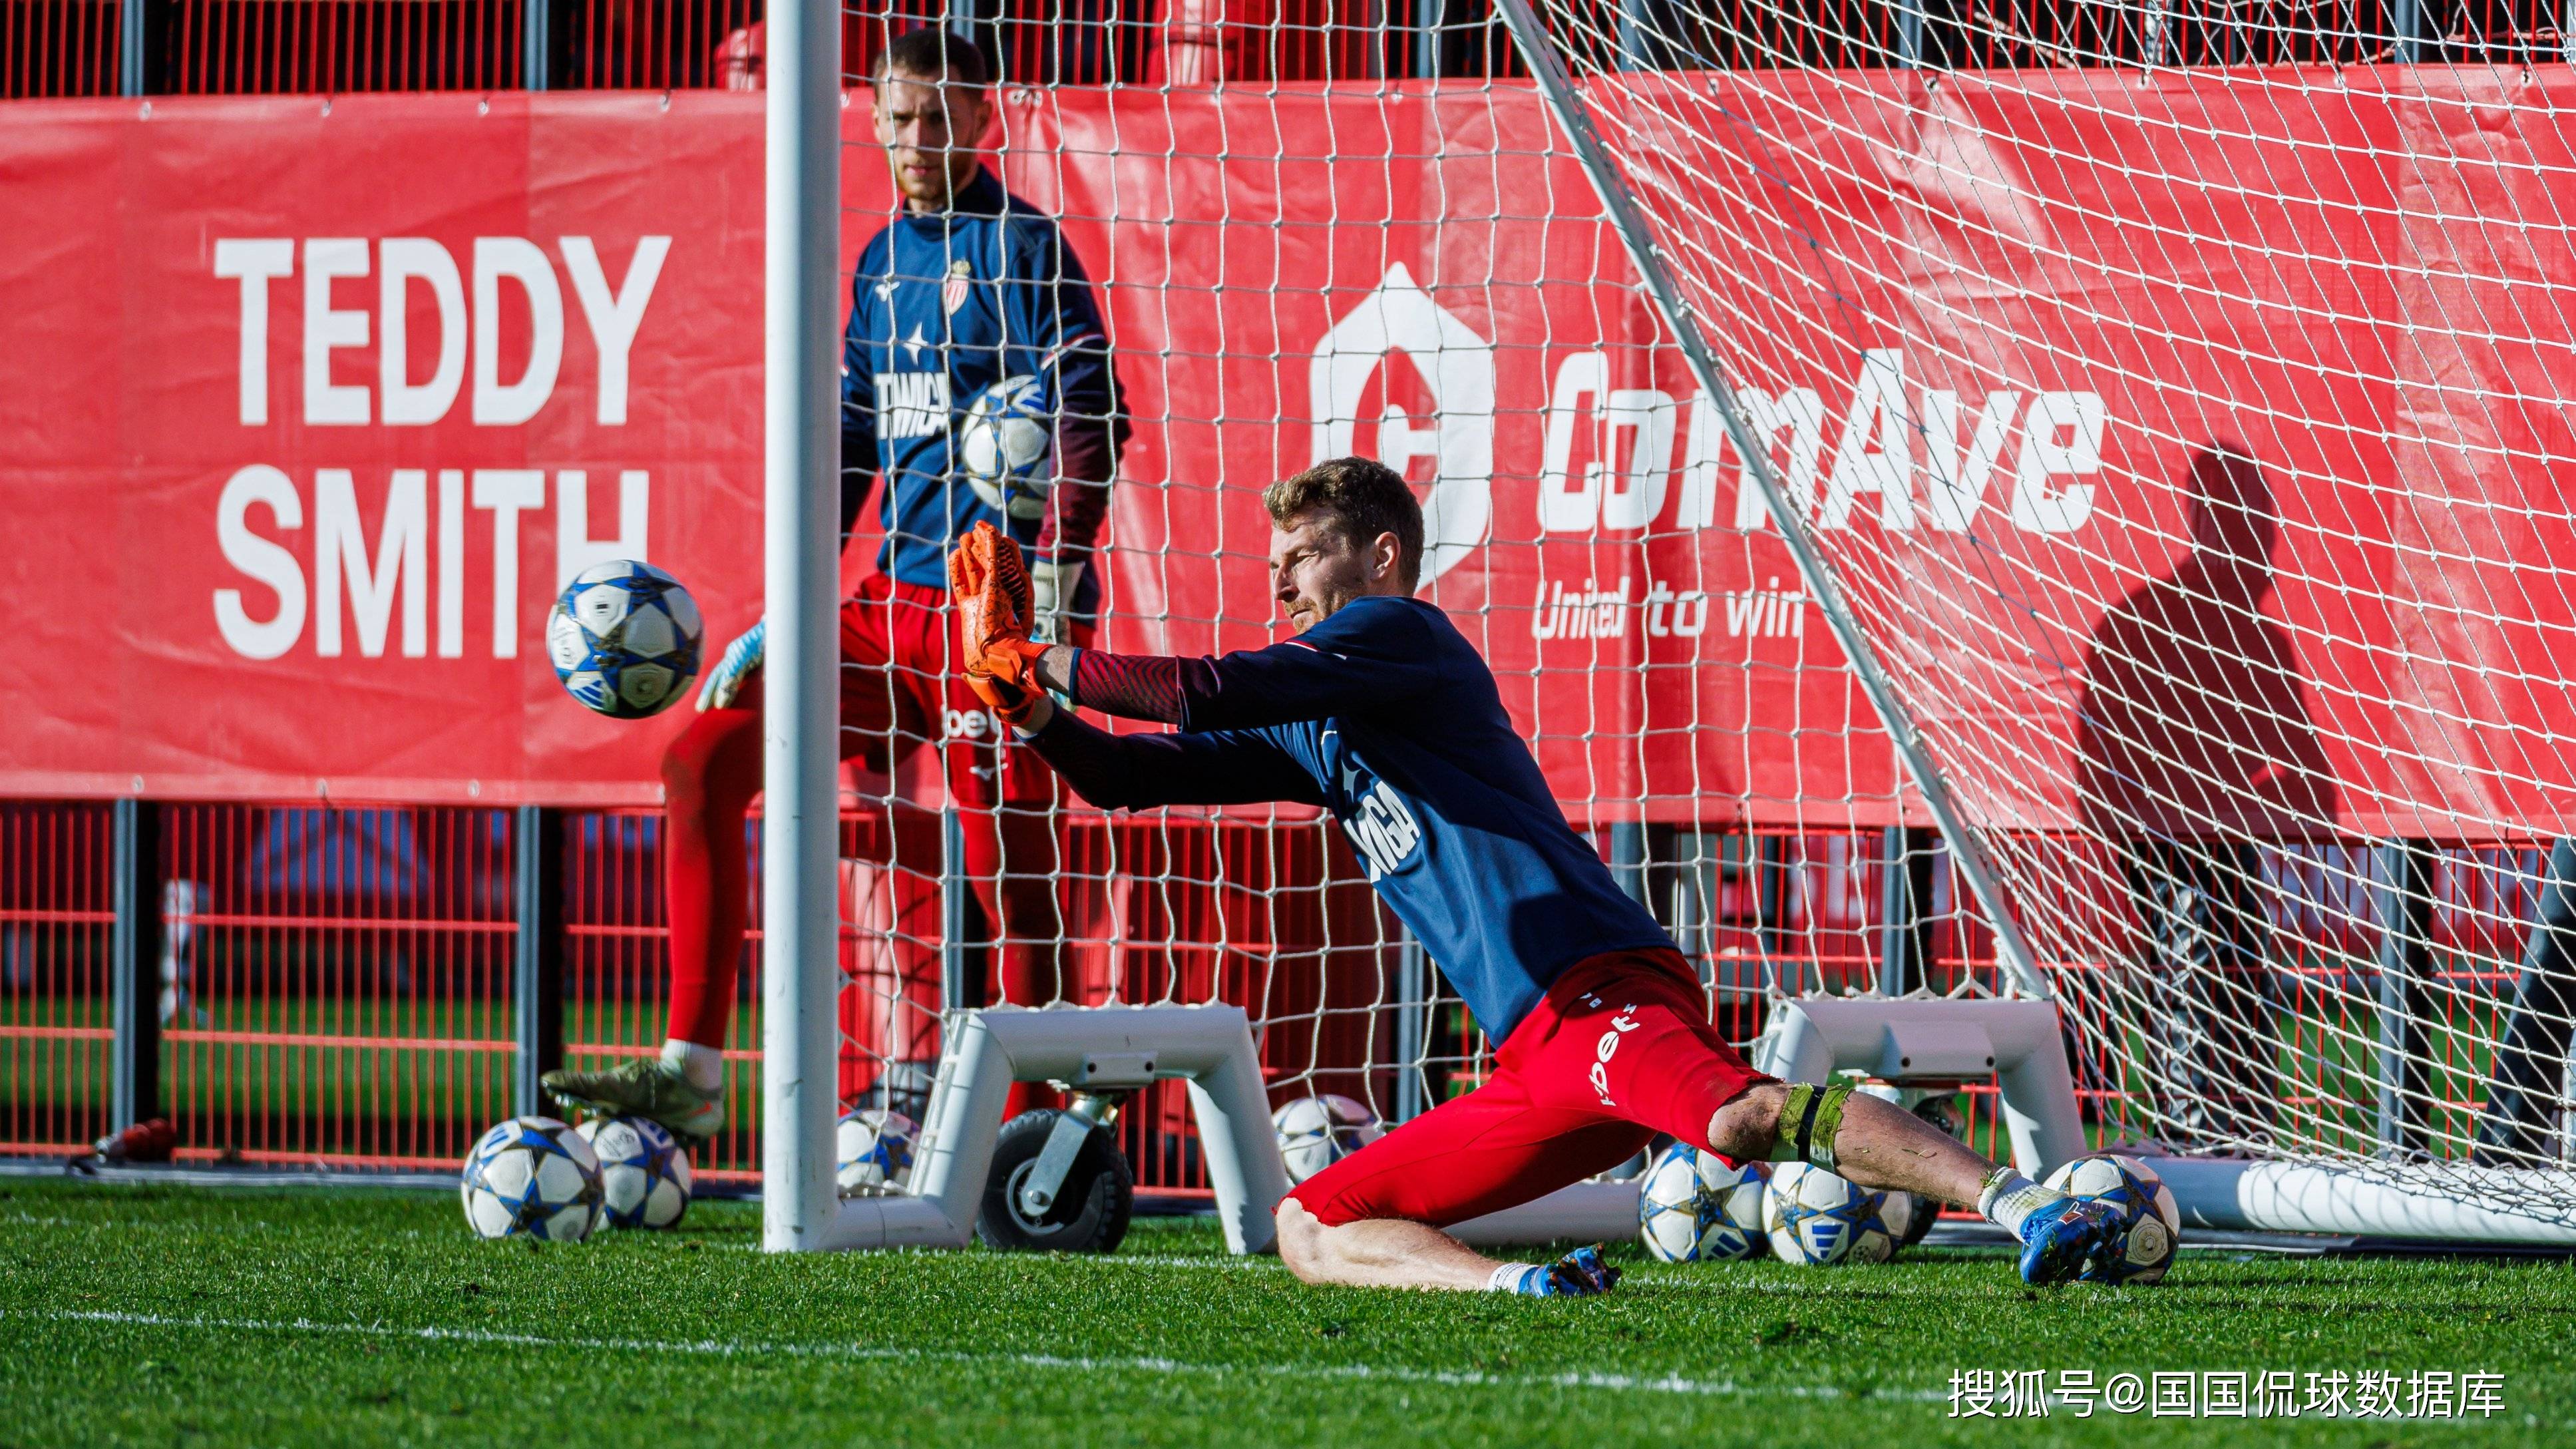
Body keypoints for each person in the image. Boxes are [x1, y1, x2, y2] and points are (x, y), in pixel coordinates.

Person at [946, 457, 2128, 1293]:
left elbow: (1208, 691)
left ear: (1382, 556)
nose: (1282, 580)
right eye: (1278, 562)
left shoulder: (1400, 635)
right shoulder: (1320, 731)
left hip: (1595, 984)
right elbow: (1128, 780)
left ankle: (2029, 1200)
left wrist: (1032, 649)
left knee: (1738, 1110)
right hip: (1535, 1058)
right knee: (1308, 1224)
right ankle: (1515, 1292)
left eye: (1303, 555)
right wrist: (1034, 707)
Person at [546, 27, 1127, 1139]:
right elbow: (854, 452)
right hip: (883, 605)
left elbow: (1094, 414)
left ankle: (1043, 1110)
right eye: (904, 117)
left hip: (995, 608)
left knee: (1007, 852)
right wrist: (786, 606)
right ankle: (694, 1065)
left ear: (987, 118)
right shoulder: (878, 262)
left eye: (947, 115)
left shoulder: (1028, 247)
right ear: (871, 120)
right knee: (702, 751)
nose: (923, 138)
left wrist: (1056, 563)